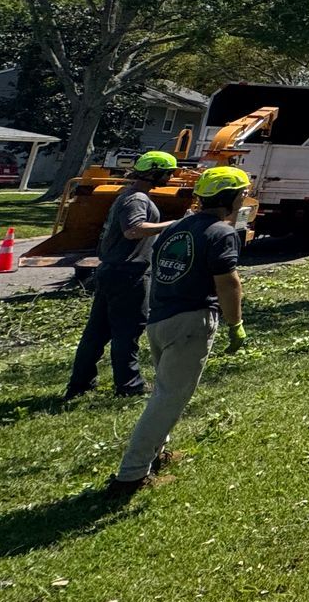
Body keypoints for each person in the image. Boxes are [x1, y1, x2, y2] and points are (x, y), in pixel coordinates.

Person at [105, 166, 251, 499]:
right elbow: (228, 283)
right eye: (242, 194)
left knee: (166, 391)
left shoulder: (179, 226)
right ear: (231, 198)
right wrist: (235, 324)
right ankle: (130, 475)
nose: (244, 199)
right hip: (191, 322)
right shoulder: (221, 233)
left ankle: (158, 454)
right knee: (169, 398)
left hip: (161, 319)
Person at [64, 151, 180, 401]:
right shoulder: (136, 199)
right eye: (168, 172)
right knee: (127, 331)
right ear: (154, 172)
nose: (171, 177)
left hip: (113, 271)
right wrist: (174, 225)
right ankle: (129, 384)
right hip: (128, 274)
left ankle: (80, 384)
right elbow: (133, 230)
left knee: (97, 332)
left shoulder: (131, 195)